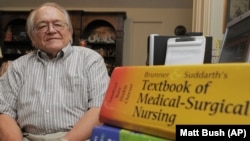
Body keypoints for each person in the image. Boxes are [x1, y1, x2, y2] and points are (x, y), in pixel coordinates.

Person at [0, 2, 110, 141]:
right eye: (42, 26)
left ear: (69, 31)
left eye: (58, 24)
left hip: (78, 138)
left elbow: (99, 108)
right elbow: (3, 112)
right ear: (32, 36)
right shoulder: (18, 66)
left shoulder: (90, 60)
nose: (51, 30)